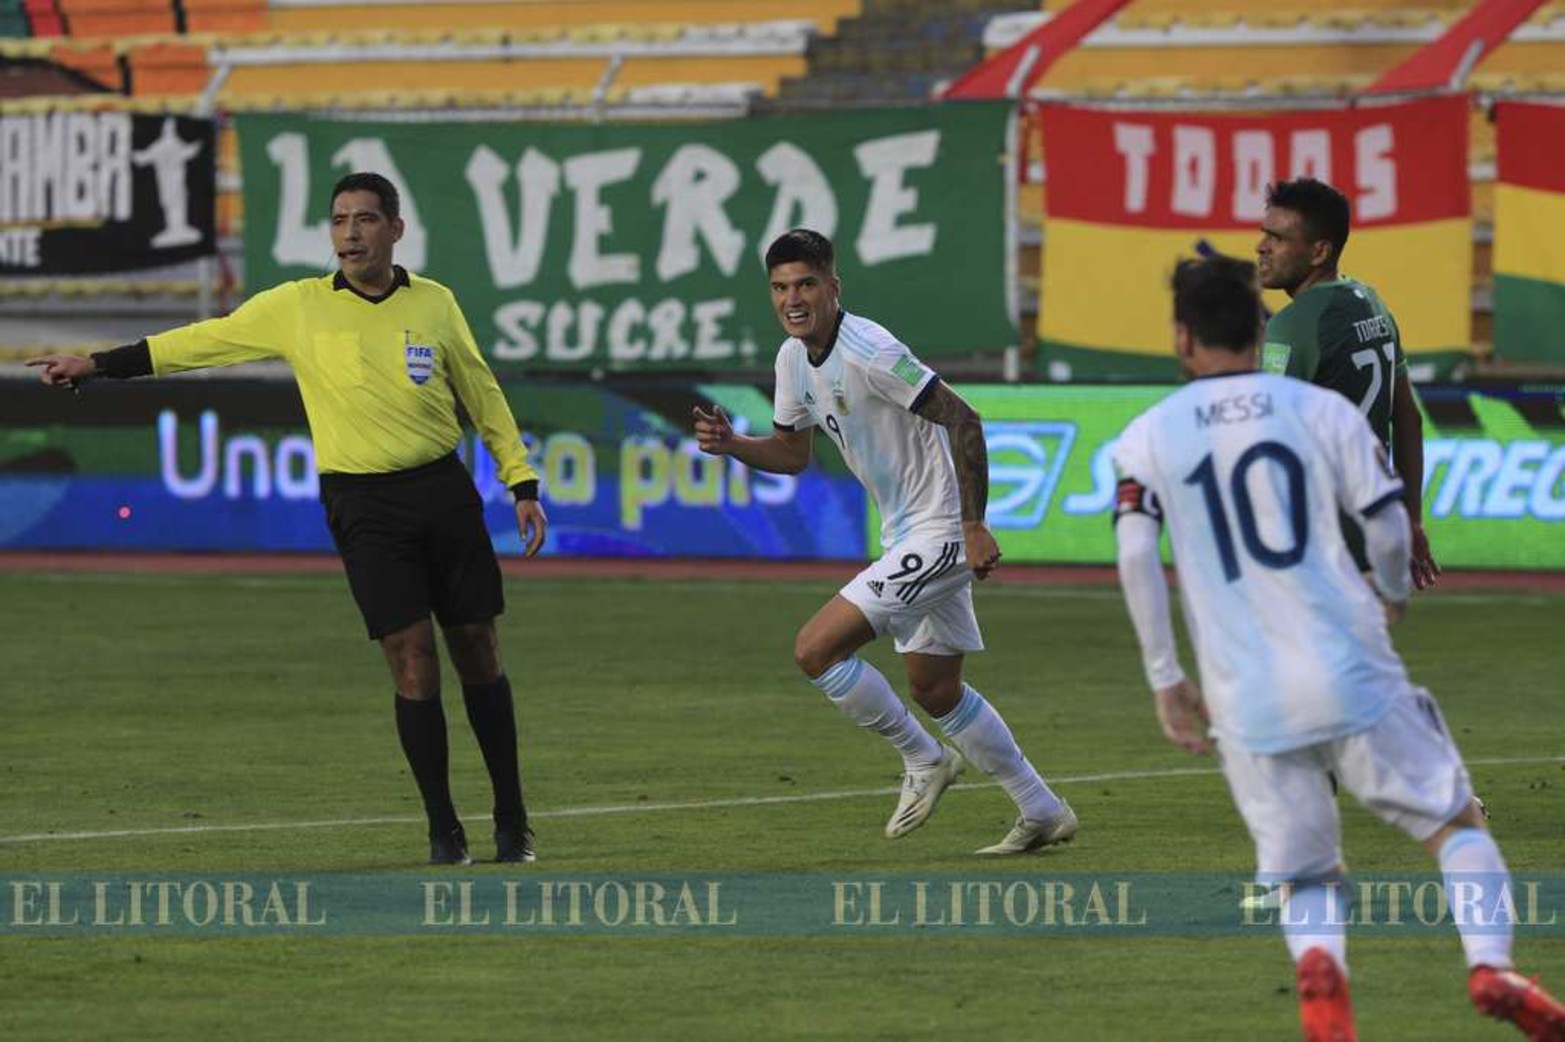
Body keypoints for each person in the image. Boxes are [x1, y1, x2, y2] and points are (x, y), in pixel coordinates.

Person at [28, 172, 547, 868]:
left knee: (477, 650)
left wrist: (521, 480)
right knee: (411, 659)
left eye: (365, 219)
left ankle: (512, 819)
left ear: (396, 228)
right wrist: (95, 363)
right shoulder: (296, 307)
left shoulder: (435, 304)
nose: (351, 233)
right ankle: (442, 827)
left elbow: (481, 394)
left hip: (440, 493)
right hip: (362, 504)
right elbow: (197, 341)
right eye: (339, 220)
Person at [1111, 256, 1563, 1042]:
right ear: (1258, 330)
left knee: (1306, 873)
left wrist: (1163, 676)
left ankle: (1322, 974)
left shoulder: (1146, 436)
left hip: (1241, 693)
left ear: (1181, 338)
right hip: (1346, 659)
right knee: (1454, 824)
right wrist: (1388, 590)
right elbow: (1387, 523)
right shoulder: (1320, 414)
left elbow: (1131, 555)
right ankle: (1490, 965)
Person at [693, 228, 1076, 855]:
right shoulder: (792, 359)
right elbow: (792, 452)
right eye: (781, 287)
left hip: (942, 529)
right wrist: (734, 444)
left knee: (815, 649)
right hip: (905, 532)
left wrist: (973, 525)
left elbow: (963, 417)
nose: (793, 299)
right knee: (934, 688)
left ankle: (924, 758)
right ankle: (1042, 809)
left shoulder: (871, 349)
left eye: (806, 284)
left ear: (833, 287)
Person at [1256, 177, 1440, 591]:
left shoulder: (1293, 325)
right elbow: (1407, 418)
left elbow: (1270, 442)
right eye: (1264, 233)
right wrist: (1411, 518)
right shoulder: (1372, 301)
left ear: (1320, 251)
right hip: (1374, 522)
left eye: (1278, 237)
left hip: (1318, 530)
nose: (1261, 247)